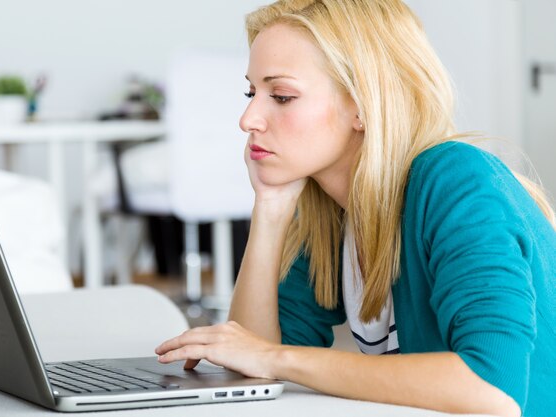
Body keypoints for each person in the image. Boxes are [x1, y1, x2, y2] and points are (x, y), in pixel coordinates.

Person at [155, 1, 556, 416]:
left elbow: (492, 389)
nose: (248, 118)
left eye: (282, 96)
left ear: (363, 104)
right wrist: (270, 207)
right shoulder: (328, 209)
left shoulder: (455, 179)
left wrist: (274, 359)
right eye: (251, 92)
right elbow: (252, 370)